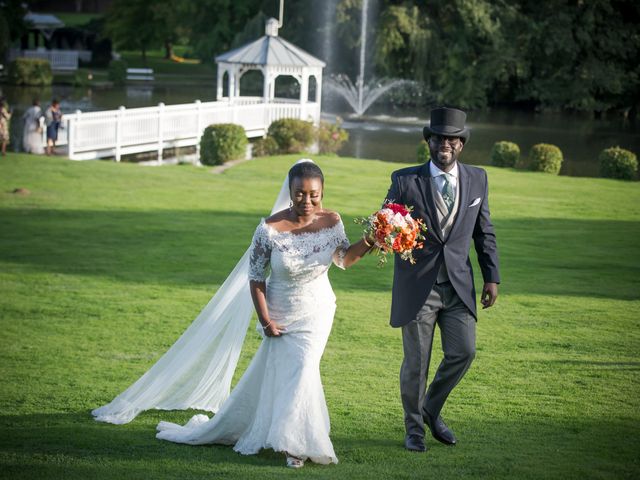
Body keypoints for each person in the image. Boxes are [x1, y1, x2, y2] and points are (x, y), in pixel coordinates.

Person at [93, 160, 373, 469]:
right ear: (290, 192)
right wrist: (265, 320)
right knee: (288, 374)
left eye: (314, 195)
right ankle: (269, 431)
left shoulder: (332, 221)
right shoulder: (268, 229)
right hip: (280, 310)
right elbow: (254, 277)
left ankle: (295, 444)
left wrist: (374, 238)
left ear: (323, 193)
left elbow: (344, 259)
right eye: (299, 194)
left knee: (304, 368)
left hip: (318, 310)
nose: (306, 201)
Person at [384, 107, 500, 453]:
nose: (445, 143)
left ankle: (430, 409)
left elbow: (485, 232)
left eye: (452, 138)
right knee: (416, 364)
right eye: (438, 138)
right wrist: (393, 233)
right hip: (419, 286)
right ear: (429, 142)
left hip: (459, 285)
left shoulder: (478, 179)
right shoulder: (405, 180)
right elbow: (386, 222)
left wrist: (491, 277)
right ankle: (414, 430)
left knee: (464, 351)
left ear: (461, 144)